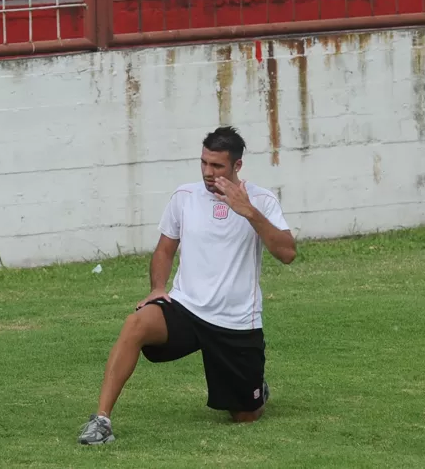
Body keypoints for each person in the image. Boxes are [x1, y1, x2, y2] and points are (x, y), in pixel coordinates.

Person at [77, 126, 297, 445]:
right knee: (135, 324)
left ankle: (256, 391)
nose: (209, 172)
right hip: (186, 307)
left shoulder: (262, 200)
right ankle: (101, 421)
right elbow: (165, 249)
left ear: (237, 166)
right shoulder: (184, 196)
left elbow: (287, 253)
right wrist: (157, 288)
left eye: (217, 165)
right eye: (204, 163)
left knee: (244, 417)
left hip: (236, 322)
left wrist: (248, 211)